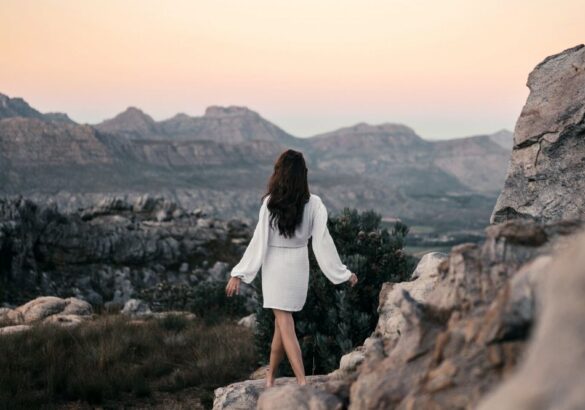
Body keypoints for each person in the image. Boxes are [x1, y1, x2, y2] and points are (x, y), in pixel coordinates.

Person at [225, 149, 358, 387]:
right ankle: (270, 377)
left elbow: (259, 241)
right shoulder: (314, 203)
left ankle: (301, 382)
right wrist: (342, 273)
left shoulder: (270, 203)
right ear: (302, 175)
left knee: (284, 322)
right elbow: (322, 243)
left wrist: (239, 273)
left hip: (275, 266)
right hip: (298, 265)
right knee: (282, 322)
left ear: (279, 174)